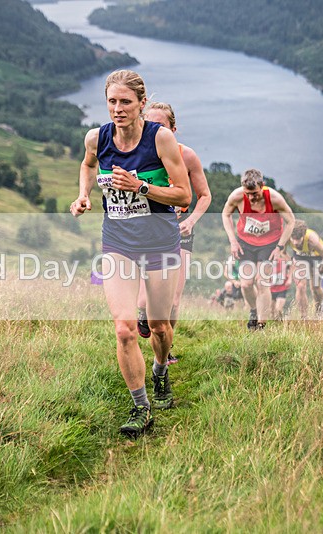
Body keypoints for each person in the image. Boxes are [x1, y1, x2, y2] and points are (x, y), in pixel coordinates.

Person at [70, 70, 191, 438]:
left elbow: (183, 195)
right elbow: (89, 164)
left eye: (125, 102)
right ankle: (141, 407)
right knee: (124, 329)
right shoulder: (97, 138)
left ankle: (160, 370)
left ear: (141, 103)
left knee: (158, 326)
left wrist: (140, 186)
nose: (118, 109)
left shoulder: (161, 139)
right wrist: (84, 195)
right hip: (118, 243)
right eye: (112, 101)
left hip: (159, 243)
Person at [136, 101, 212, 365]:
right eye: (151, 125)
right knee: (144, 299)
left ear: (173, 128)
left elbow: (204, 196)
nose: (156, 131)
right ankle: (143, 313)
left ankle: (165, 351)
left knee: (174, 300)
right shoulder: (137, 155)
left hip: (179, 232)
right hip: (146, 233)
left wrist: (191, 221)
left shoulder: (186, 155)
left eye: (162, 126)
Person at [221, 168, 295, 330]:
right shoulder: (237, 196)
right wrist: (233, 241)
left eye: (254, 193)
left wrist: (280, 247)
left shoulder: (275, 199)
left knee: (262, 282)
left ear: (262, 186)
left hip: (269, 244)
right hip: (245, 243)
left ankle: (261, 323)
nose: (251, 197)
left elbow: (291, 221)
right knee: (246, 283)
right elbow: (225, 214)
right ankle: (254, 311)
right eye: (248, 193)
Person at [288, 219, 323, 319]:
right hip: (300, 257)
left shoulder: (313, 240)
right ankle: (304, 317)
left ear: (303, 235)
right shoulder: (287, 236)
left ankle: (319, 308)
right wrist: (290, 260)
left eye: (298, 239)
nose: (295, 242)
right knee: (300, 286)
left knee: (315, 287)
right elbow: (281, 251)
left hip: (315, 258)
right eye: (292, 238)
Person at [268, 251, 293, 321]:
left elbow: (292, 265)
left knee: (278, 309)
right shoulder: (267, 263)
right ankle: (275, 326)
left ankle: (281, 322)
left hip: (282, 289)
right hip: (270, 289)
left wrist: (290, 279)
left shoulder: (283, 261)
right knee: (271, 311)